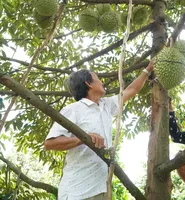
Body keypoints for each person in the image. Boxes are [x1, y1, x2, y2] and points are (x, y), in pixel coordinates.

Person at [44, 60, 153, 200]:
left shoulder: (106, 105)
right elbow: (50, 143)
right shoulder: (73, 110)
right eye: (98, 79)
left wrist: (148, 70)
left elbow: (131, 90)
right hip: (77, 191)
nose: (102, 82)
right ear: (89, 83)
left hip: (102, 188)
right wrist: (83, 139)